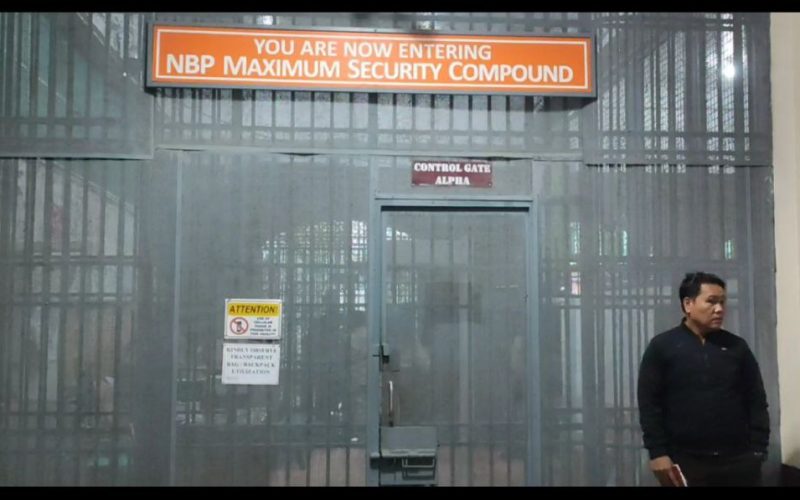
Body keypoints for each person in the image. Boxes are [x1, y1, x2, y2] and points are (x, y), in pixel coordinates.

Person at [637, 272, 769, 486]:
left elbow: (756, 400)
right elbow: (649, 404)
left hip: (738, 460)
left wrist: (758, 450)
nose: (719, 309)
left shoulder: (736, 347)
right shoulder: (663, 347)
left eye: (722, 302)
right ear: (688, 304)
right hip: (685, 460)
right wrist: (658, 452)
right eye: (711, 301)